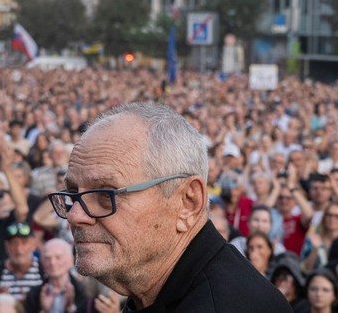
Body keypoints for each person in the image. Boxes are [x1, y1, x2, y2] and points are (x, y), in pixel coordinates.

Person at [51, 102, 291, 310]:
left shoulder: (225, 304)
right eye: (73, 194)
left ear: (187, 202)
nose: (75, 215)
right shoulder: (157, 290)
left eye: (105, 194)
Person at [22, 239, 103, 313]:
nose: (52, 263)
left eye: (58, 257)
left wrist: (71, 308)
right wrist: (44, 311)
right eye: (47, 258)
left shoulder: (84, 292)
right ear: (42, 262)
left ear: (71, 260)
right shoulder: (33, 294)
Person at [0, 223, 43, 307]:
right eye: (13, 243)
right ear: (6, 246)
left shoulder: (44, 270)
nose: (19, 249)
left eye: (24, 243)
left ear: (33, 245)